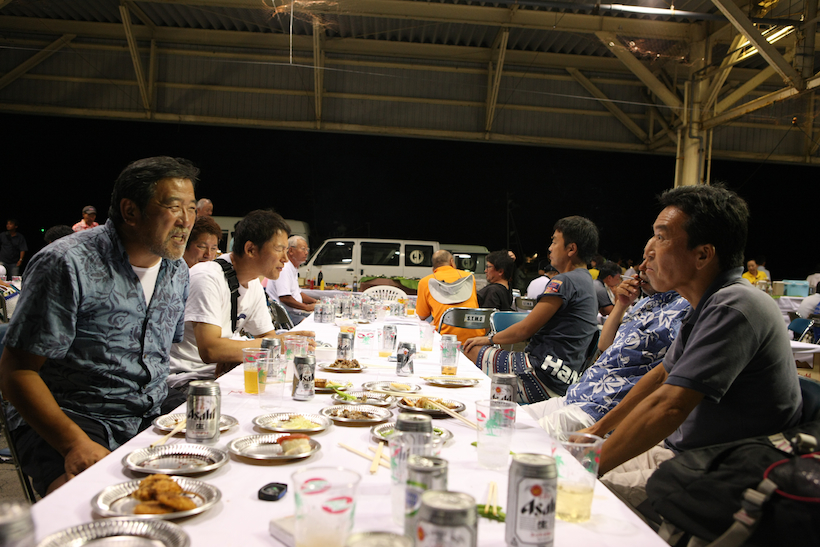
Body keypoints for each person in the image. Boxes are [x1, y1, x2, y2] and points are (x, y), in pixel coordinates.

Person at [583, 184, 802, 508]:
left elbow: (670, 406)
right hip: (681, 453)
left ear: (703, 255)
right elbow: (660, 378)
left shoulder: (735, 305)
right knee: (565, 471)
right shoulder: (706, 304)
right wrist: (597, 432)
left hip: (720, 473)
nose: (648, 253)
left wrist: (589, 465)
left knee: (576, 497)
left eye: (661, 237)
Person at [0, 156, 198, 496]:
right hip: (74, 417)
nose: (186, 220)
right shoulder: (67, 263)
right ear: (130, 211)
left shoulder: (177, 271)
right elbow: (16, 372)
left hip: (149, 410)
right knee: (90, 507)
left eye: (192, 208)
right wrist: (73, 443)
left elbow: (153, 361)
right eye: (173, 206)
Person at [525, 268, 690, 437]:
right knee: (511, 420)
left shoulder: (686, 308)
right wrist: (621, 304)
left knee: (521, 438)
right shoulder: (647, 302)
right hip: (580, 394)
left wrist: (601, 428)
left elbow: (662, 379)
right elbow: (604, 345)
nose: (642, 267)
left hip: (602, 409)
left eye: (652, 259)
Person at [169, 211, 314, 389]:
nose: (285, 259)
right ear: (250, 249)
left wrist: (236, 353)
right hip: (189, 381)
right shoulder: (206, 277)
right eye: (279, 249)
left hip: (222, 374)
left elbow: (267, 337)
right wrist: (276, 343)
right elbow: (211, 350)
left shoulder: (253, 283)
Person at [463, 216, 599, 403]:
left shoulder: (564, 281)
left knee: (470, 350)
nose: (550, 248)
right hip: (566, 379)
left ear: (571, 249)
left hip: (541, 376)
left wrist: (488, 339)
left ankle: (488, 409)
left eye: (554, 241)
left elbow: (525, 330)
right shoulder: (588, 282)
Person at [415, 250, 484, 344]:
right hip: (475, 338)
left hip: (445, 338)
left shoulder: (426, 282)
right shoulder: (469, 277)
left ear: (433, 267)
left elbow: (422, 316)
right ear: (452, 262)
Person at [265, 235, 317, 326]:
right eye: (303, 249)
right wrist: (307, 307)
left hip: (295, 312)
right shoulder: (284, 268)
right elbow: (285, 298)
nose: (306, 253)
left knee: (319, 318)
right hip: (285, 315)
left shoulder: (293, 268)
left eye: (307, 250)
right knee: (313, 323)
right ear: (291, 250)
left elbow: (298, 293)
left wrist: (315, 302)